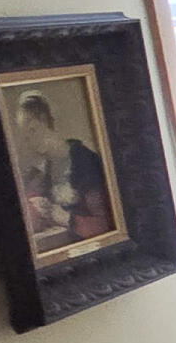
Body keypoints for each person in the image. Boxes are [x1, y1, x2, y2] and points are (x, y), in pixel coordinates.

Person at [9, 89, 112, 249]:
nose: (31, 141)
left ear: (45, 121)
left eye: (33, 129)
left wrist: (64, 217)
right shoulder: (45, 170)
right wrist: (40, 207)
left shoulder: (84, 160)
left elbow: (105, 224)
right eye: (26, 136)